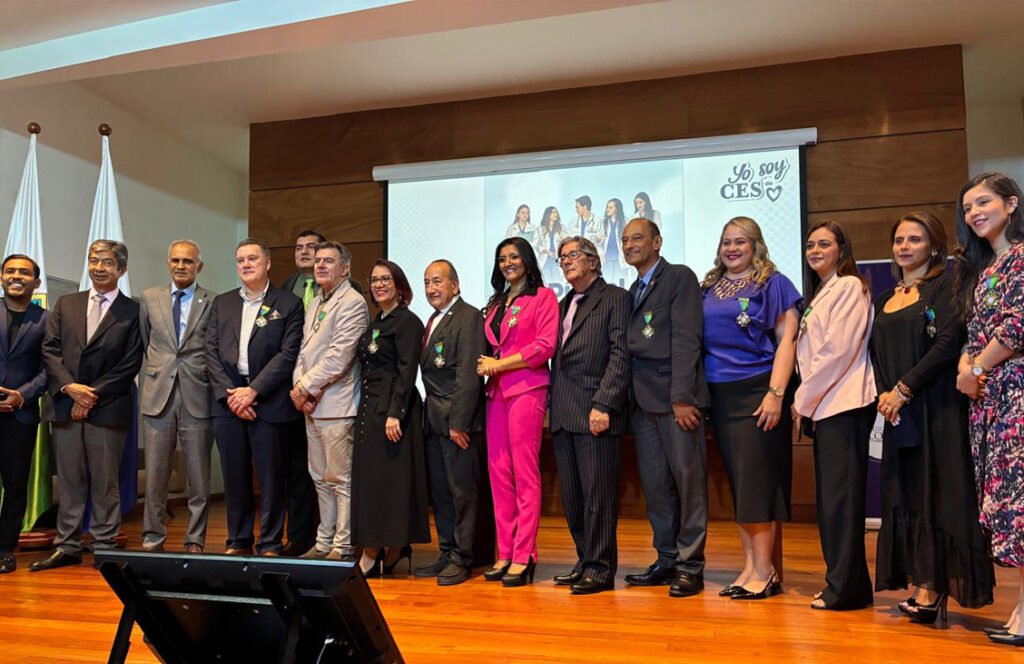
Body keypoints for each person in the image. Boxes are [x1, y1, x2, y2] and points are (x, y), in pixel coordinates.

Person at [870, 211, 994, 624]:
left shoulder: (946, 285)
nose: (904, 246)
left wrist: (905, 388)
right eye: (899, 239)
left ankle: (934, 587)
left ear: (934, 246)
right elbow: (876, 353)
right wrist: (887, 393)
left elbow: (947, 343)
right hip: (898, 412)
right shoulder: (884, 298)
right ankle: (924, 582)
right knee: (909, 495)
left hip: (936, 406)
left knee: (938, 494)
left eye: (915, 239)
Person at [701, 217, 800, 600]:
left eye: (740, 241)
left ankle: (765, 570)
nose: (732, 248)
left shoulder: (774, 283)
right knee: (742, 486)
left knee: (758, 484)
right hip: (720, 396)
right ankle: (749, 567)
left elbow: (787, 340)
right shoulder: (710, 286)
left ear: (755, 245)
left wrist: (776, 394)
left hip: (758, 391)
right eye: (726, 241)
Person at [34, 240, 143, 572]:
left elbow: (130, 362)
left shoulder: (133, 311)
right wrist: (70, 388)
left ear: (121, 269)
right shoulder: (66, 303)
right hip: (65, 405)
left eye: (106, 262)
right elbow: (50, 350)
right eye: (93, 260)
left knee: (105, 481)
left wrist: (90, 395)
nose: (98, 267)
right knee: (70, 480)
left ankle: (105, 544)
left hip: (107, 408)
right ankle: (67, 546)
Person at [952, 172, 1024, 647]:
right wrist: (967, 364)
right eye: (967, 207)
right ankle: (1021, 609)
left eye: (983, 202)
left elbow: (1018, 324)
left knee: (1021, 501)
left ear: (1011, 204)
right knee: (1007, 504)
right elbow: (974, 330)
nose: (974, 213)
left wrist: (975, 368)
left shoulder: (1021, 258)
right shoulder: (986, 267)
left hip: (1015, 392)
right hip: (988, 398)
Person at [621, 218, 709, 598]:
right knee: (657, 489)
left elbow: (687, 339)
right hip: (643, 404)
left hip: (677, 401)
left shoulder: (679, 277)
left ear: (657, 242)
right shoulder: (632, 289)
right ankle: (667, 559)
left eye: (637, 238)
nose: (629, 245)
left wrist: (682, 397)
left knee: (689, 486)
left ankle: (691, 566)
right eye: (624, 240)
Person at [793, 220, 876, 611]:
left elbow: (836, 352)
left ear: (842, 249)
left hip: (844, 405)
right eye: (810, 245)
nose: (815, 251)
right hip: (827, 406)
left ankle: (844, 589)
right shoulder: (824, 291)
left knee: (841, 502)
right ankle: (847, 584)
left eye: (824, 244)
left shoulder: (849, 287)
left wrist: (801, 400)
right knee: (832, 502)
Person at [205, 238, 304, 556]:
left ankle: (270, 542)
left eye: (252, 259)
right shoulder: (222, 303)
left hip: (269, 402)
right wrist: (233, 397)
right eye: (240, 260)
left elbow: (288, 354)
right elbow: (210, 353)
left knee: (272, 478)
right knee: (234, 476)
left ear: (268, 263)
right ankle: (238, 540)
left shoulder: (288, 304)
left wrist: (253, 391)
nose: (246, 265)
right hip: (229, 402)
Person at [549, 236, 630, 595]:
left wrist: (605, 403)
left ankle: (600, 568)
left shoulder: (615, 297)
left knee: (598, 498)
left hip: (595, 411)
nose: (566, 261)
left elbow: (620, 354)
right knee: (573, 498)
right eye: (562, 257)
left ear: (594, 261)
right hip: (563, 413)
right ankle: (585, 560)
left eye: (573, 255)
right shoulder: (563, 303)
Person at [477, 237, 558, 587]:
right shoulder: (496, 302)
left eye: (513, 256)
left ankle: (525, 555)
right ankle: (505, 551)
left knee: (524, 473)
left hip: (527, 388)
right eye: (502, 258)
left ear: (526, 260)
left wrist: (499, 365)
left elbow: (545, 346)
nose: (507, 262)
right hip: (495, 393)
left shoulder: (543, 297)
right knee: (498, 474)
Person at [291, 241, 368, 562]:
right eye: (318, 261)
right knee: (320, 479)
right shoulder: (315, 301)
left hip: (336, 405)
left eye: (328, 261)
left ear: (345, 268)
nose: (320, 265)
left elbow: (339, 357)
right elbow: (304, 351)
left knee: (340, 479)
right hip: (311, 405)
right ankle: (323, 542)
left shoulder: (353, 302)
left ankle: (343, 544)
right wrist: (299, 387)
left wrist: (305, 388)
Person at [352, 260, 430, 576]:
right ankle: (394, 547)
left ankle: (374, 551)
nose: (379, 285)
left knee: (389, 483)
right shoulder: (378, 322)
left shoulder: (407, 322)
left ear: (399, 285)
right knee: (375, 482)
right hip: (371, 409)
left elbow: (407, 371)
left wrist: (395, 413)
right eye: (374, 280)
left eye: (386, 279)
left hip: (394, 412)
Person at [415, 260, 490, 586]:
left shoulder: (468, 316)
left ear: (455, 285)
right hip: (433, 420)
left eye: (437, 281)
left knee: (463, 494)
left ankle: (463, 557)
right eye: (427, 282)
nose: (431, 289)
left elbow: (469, 375)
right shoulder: (434, 319)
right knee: (442, 494)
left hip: (458, 423)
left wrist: (458, 423)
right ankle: (446, 552)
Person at [139, 240, 215, 554]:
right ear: (168, 263)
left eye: (187, 261)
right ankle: (152, 538)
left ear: (199, 266)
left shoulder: (213, 300)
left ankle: (195, 540)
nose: (180, 266)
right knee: (156, 475)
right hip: (158, 395)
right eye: (175, 260)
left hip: (197, 394)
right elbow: (146, 341)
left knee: (198, 477)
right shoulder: (149, 297)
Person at [277, 228, 326, 555]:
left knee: (328, 473)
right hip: (291, 394)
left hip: (326, 392)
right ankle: (298, 537)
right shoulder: (285, 288)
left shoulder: (342, 289)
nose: (305, 252)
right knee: (295, 470)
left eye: (311, 247)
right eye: (299, 247)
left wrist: (315, 386)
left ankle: (330, 538)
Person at [0, 255, 49, 574]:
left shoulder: (47, 320)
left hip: (21, 416)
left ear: (36, 282)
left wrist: (22, 395)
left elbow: (50, 369)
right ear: (2, 277)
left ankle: (5, 549)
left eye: (24, 272)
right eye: (10, 271)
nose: (16, 276)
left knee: (15, 485)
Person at [535, 206, 566, 285]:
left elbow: (567, 241)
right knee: (546, 282)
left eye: (556, 212)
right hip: (545, 260)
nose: (556, 214)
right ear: (548, 215)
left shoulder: (561, 228)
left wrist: (560, 246)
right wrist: (544, 250)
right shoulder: (540, 229)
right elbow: (536, 244)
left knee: (557, 282)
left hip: (557, 259)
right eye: (553, 212)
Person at [599, 198, 627, 283]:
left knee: (621, 283)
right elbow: (598, 243)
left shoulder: (625, 222)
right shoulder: (603, 223)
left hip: (620, 259)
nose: (608, 209)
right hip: (607, 259)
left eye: (610, 207)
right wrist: (600, 252)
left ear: (617, 209)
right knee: (607, 283)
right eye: (607, 207)